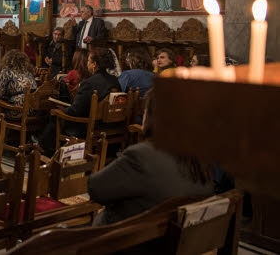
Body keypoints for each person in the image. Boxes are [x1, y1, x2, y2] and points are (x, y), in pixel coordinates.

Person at [88, 89, 214, 226]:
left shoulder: (141, 155)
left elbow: (96, 188)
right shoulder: (200, 158)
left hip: (129, 241)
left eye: (145, 111)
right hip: (174, 241)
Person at [35, 48, 120, 156]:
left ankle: (44, 150)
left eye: (88, 61)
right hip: (110, 125)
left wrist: (61, 109)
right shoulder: (114, 80)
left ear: (94, 64)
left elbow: (75, 111)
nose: (86, 64)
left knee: (55, 115)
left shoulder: (89, 83)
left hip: (88, 127)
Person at [0, 50, 37, 121]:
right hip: (32, 112)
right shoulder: (29, 73)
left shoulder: (6, 72)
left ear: (8, 60)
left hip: (17, 111)